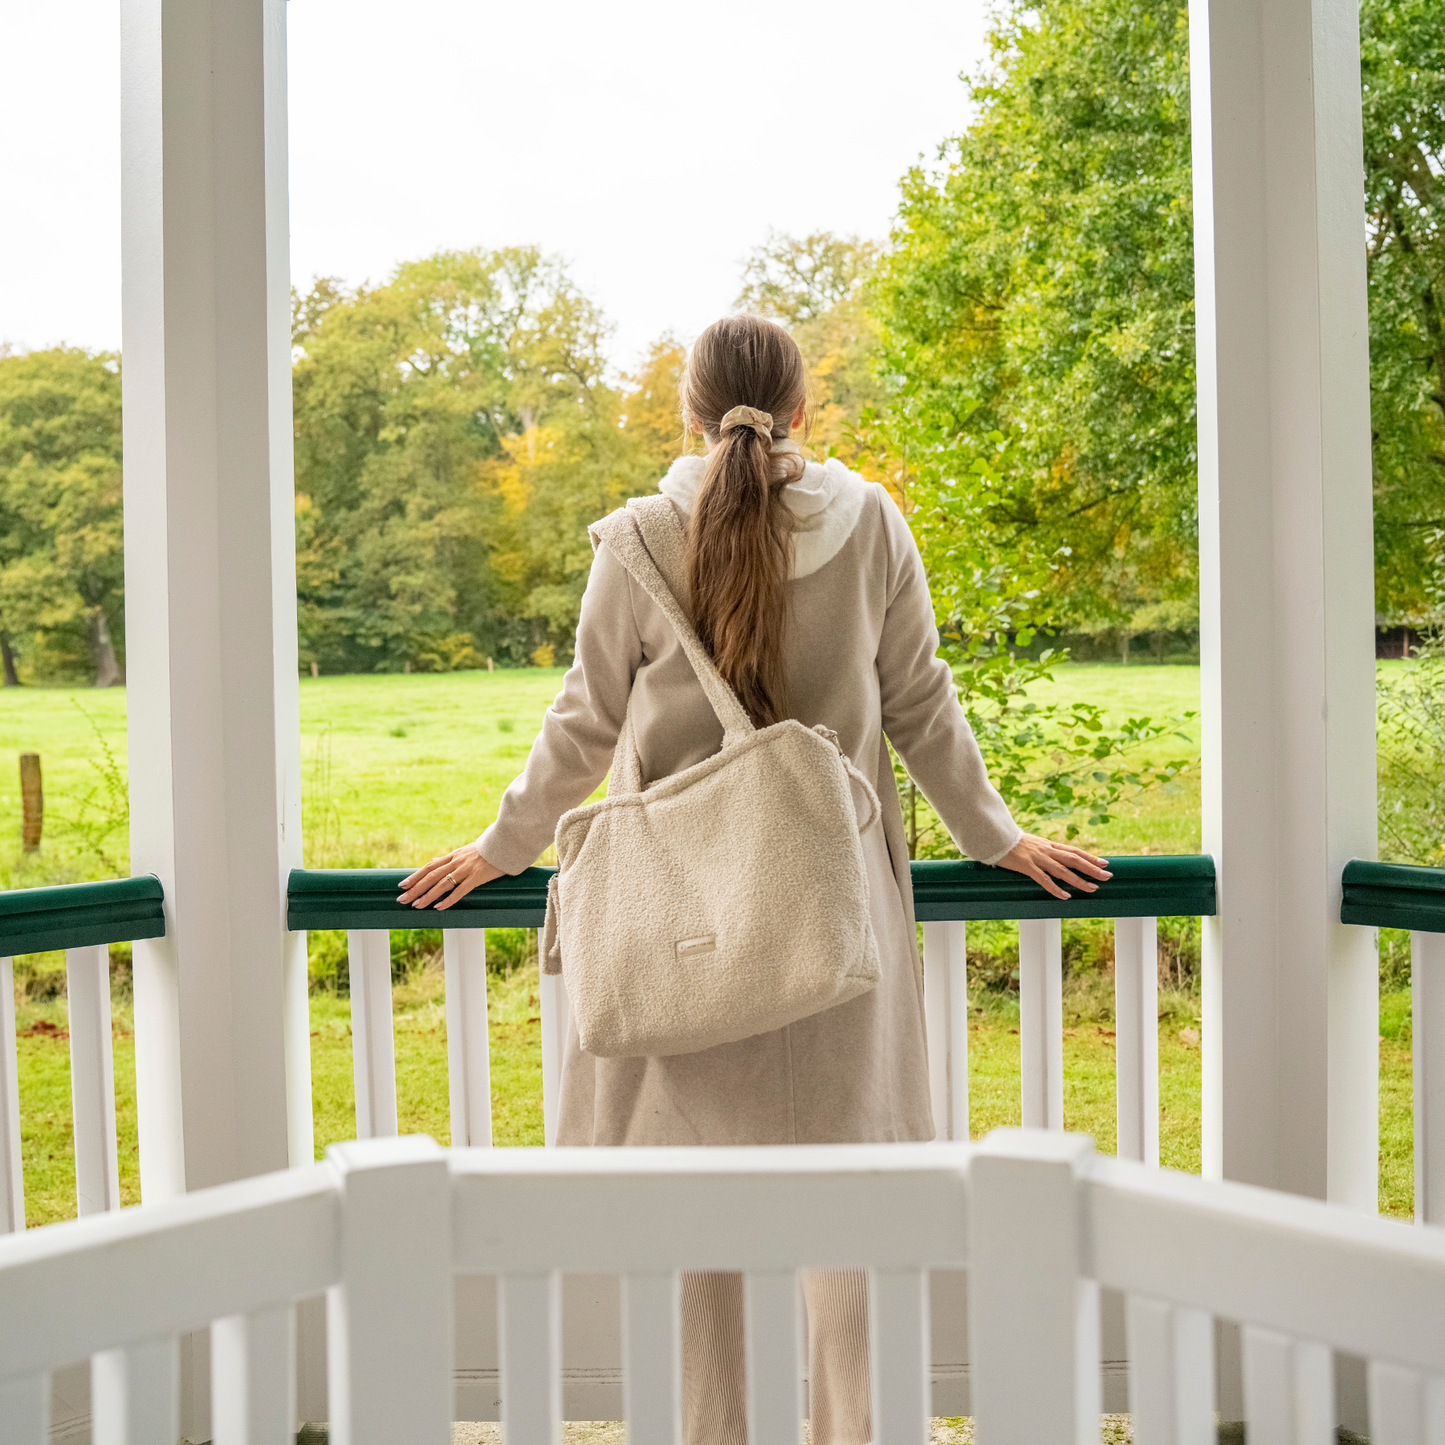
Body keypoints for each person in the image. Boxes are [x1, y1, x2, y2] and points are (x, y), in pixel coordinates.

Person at [400, 315, 1111, 1444]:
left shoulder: (633, 539)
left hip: (675, 931)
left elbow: (581, 727)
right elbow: (919, 702)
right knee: (857, 1229)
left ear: (686, 410)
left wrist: (499, 848)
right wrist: (996, 836)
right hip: (834, 924)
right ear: (802, 409)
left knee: (691, 1232)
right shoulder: (871, 520)